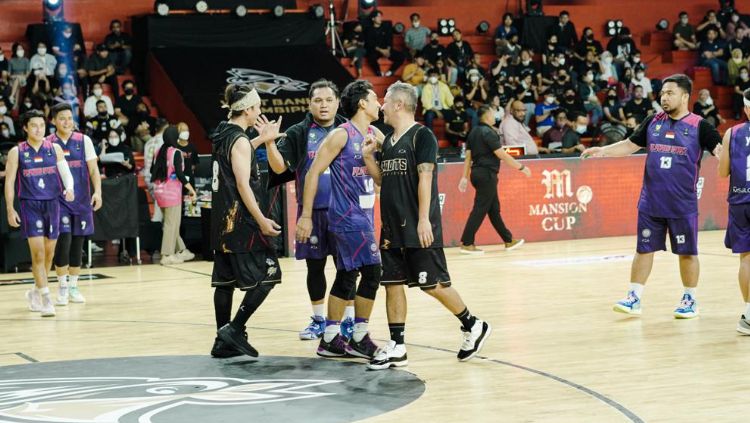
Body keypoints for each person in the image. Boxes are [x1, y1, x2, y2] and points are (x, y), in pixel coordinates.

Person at [362, 81, 492, 370]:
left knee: (432, 285)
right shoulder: (389, 140)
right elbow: (383, 180)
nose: (382, 106)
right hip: (391, 227)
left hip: (418, 224)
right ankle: (397, 346)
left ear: (398, 104)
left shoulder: (422, 136)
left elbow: (426, 179)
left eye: (386, 101)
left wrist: (423, 219)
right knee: (392, 284)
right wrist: (368, 157)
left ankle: (473, 324)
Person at [582, 74, 722, 318]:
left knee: (687, 252)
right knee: (644, 249)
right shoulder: (653, 121)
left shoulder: (700, 126)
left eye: (670, 93)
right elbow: (629, 145)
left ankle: (690, 299)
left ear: (685, 96)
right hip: (651, 201)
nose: (664, 97)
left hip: (682, 204)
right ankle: (634, 297)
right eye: (662, 93)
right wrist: (602, 151)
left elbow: (721, 152)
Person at [295, 80, 383, 359]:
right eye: (375, 98)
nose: (379, 103)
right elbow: (312, 173)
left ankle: (331, 337)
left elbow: (380, 179)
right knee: (372, 272)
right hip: (346, 217)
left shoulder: (375, 134)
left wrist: (372, 156)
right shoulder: (341, 135)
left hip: (365, 216)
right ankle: (358, 335)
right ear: (362, 103)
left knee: (348, 275)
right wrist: (306, 215)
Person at [265, 80, 356, 342]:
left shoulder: (350, 129)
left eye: (328, 100)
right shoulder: (299, 132)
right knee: (315, 268)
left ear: (337, 103)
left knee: (348, 269)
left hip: (345, 212)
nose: (323, 105)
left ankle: (348, 321)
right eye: (318, 100)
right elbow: (280, 168)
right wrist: (270, 144)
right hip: (312, 213)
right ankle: (318, 320)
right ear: (309, 103)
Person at [211, 83, 285, 358]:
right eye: (257, 107)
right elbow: (243, 184)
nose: (259, 111)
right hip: (241, 221)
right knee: (269, 275)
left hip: (221, 222)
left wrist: (261, 140)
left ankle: (222, 341)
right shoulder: (240, 140)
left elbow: (238, 155)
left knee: (225, 282)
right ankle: (234, 329)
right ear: (247, 110)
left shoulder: (223, 133)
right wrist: (262, 220)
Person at [4, 110, 75, 317]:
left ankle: (35, 291)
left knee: (49, 254)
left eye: (42, 125)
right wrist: (10, 208)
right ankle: (46, 299)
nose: (39, 129)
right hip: (30, 206)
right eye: (34, 125)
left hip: (53, 204)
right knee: (38, 254)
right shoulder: (17, 152)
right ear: (25, 128)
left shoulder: (54, 148)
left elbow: (66, 174)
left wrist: (70, 188)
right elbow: (9, 182)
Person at [48, 103, 102, 306]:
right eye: (62, 118)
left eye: (70, 118)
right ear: (53, 121)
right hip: (58, 202)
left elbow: (94, 170)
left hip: (81, 201)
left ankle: (73, 286)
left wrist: (98, 192)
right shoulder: (48, 143)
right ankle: (62, 286)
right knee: (64, 242)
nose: (67, 122)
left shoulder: (83, 140)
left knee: (78, 244)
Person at [458, 104, 530, 254]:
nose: (494, 116)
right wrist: (521, 167)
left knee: (494, 210)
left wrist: (464, 177)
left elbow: (468, 158)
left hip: (477, 174)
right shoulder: (489, 133)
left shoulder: (473, 132)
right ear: (486, 116)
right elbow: (502, 155)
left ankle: (508, 240)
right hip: (487, 175)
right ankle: (467, 243)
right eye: (492, 113)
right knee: (480, 208)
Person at [718, 87, 750, 334]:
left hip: (741, 201)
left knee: (746, 259)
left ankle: (748, 315)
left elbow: (722, 172)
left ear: (746, 108)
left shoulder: (732, 133)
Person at [150, 125, 196, 265]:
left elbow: (152, 170)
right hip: (172, 193)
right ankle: (167, 255)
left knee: (171, 223)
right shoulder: (176, 152)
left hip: (159, 192)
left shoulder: (159, 151)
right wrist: (191, 189)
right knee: (171, 224)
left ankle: (181, 250)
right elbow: (180, 174)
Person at [364, 10, 405, 77]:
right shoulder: (369, 29)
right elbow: (369, 43)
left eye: (381, 16)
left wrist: (388, 50)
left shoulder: (386, 27)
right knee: (370, 57)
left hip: (386, 49)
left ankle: (390, 71)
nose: (380, 18)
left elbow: (389, 39)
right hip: (376, 50)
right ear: (373, 19)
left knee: (401, 56)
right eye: (378, 16)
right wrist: (381, 50)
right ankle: (379, 73)